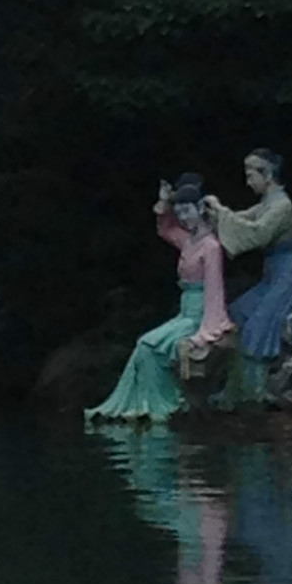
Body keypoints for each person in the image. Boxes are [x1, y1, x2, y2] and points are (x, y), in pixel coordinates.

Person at [85, 173, 235, 425]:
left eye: (187, 211)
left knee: (147, 344)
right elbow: (166, 229)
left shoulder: (210, 246)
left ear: (200, 208)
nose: (184, 217)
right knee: (144, 345)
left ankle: (161, 403)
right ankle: (144, 403)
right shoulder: (189, 239)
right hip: (184, 311)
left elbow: (214, 290)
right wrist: (165, 203)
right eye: (180, 212)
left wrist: (208, 329)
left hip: (199, 315)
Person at [207, 150, 292, 407]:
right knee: (236, 314)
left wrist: (221, 210)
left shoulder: (282, 205)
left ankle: (255, 390)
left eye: (252, 175)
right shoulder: (266, 204)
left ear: (268, 175)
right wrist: (215, 213)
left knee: (259, 324)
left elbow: (257, 233)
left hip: (286, 275)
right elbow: (241, 219)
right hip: (271, 274)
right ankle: (236, 386)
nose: (248, 181)